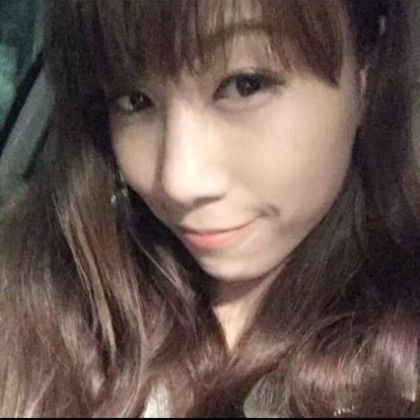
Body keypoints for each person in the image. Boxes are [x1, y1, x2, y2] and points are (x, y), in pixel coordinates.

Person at [1, 0, 419, 417]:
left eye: (246, 85)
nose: (180, 183)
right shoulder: (42, 284)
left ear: (366, 76)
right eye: (135, 100)